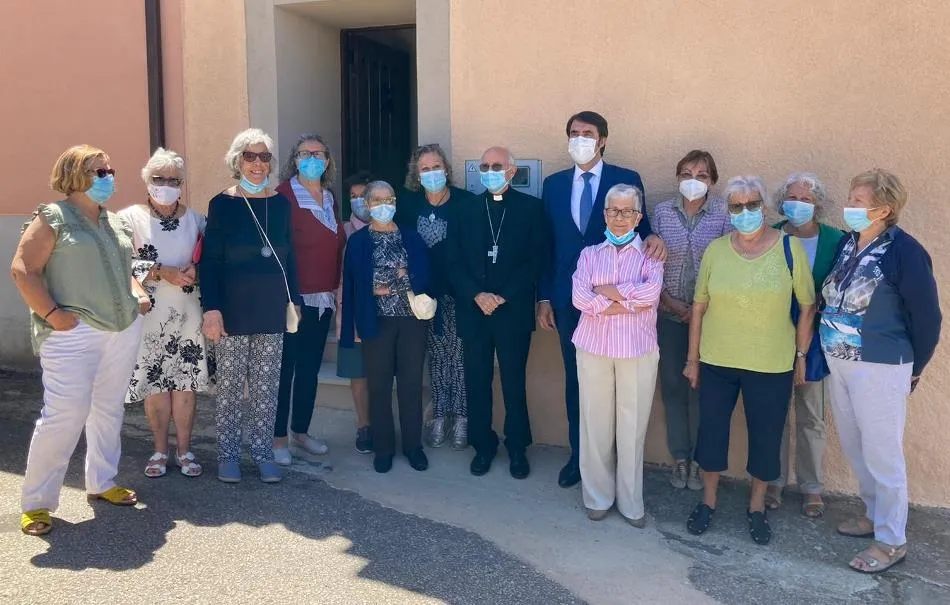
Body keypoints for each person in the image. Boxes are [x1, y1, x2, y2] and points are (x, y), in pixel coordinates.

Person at [13, 145, 151, 535]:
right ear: (74, 174)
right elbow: (23, 270)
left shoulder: (114, 221)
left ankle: (102, 482)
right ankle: (37, 503)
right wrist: (53, 315)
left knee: (108, 408)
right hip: (73, 332)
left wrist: (139, 292)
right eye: (98, 171)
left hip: (121, 328)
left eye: (110, 170)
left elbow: (125, 269)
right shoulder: (52, 217)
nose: (108, 177)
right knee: (65, 414)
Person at [683, 176, 815, 546]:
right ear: (729, 211)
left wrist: (801, 356)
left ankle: (757, 507)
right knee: (711, 431)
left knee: (766, 436)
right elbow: (699, 306)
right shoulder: (716, 250)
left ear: (764, 206)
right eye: (737, 206)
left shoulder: (789, 247)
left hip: (771, 363)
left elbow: (807, 306)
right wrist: (692, 359)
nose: (745, 212)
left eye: (752, 204)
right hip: (717, 359)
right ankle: (707, 501)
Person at [538, 110, 667, 488]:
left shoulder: (626, 178)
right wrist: (544, 297)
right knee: (578, 381)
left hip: (621, 308)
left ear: (603, 140)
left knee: (622, 389)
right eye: (574, 133)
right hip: (568, 299)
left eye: (587, 133)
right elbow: (547, 244)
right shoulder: (554, 184)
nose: (580, 139)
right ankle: (580, 458)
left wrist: (655, 237)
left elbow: (641, 229)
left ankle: (619, 468)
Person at [820, 170, 940, 573]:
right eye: (850, 197)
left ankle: (891, 540)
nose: (849, 205)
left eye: (858, 200)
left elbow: (927, 317)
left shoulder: (905, 251)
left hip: (881, 365)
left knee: (883, 451)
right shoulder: (849, 244)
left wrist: (915, 368)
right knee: (855, 445)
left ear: (884, 209)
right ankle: (873, 515)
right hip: (840, 362)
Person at [200, 128, 302, 484]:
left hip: (271, 308)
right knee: (229, 389)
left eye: (264, 157)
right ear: (237, 161)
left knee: (266, 388)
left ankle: (262, 454)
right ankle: (228, 455)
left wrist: (295, 299)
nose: (257, 164)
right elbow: (210, 261)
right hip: (232, 310)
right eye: (250, 156)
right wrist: (211, 308)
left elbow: (289, 256)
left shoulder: (282, 205)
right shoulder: (222, 204)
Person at [446, 146, 549, 480]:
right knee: (476, 380)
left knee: (513, 381)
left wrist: (503, 295)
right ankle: (483, 446)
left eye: (496, 166)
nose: (490, 171)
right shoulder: (464, 210)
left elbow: (536, 259)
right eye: (484, 166)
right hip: (474, 309)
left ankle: (517, 447)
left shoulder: (531, 209)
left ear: (511, 171)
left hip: (512, 310)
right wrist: (476, 295)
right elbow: (453, 261)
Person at [572, 184, 663, 527]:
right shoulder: (589, 255)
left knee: (632, 426)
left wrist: (606, 293)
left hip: (636, 350)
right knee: (594, 424)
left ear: (638, 217)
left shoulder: (651, 256)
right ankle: (597, 497)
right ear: (605, 214)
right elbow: (580, 299)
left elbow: (650, 295)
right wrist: (626, 301)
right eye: (613, 210)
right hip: (593, 347)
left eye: (627, 211)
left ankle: (630, 502)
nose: (620, 218)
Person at [121, 147, 211, 479]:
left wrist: (197, 271)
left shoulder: (197, 220)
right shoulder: (128, 219)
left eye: (174, 180)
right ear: (147, 181)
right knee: (155, 384)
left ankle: (185, 451)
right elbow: (117, 262)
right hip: (149, 313)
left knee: (185, 384)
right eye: (159, 178)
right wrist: (161, 271)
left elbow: (212, 259)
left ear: (182, 183)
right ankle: (159, 450)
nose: (166, 185)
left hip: (188, 313)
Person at [651, 150, 732, 491]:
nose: (693, 181)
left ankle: (700, 459)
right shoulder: (661, 213)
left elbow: (730, 264)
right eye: (686, 174)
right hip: (668, 313)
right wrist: (669, 301)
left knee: (702, 390)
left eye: (701, 175)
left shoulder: (724, 214)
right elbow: (650, 263)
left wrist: (699, 308)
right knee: (672, 387)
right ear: (677, 178)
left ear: (712, 181)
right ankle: (680, 457)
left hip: (709, 318)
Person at [764, 173, 844, 516]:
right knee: (775, 413)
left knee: (812, 414)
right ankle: (774, 480)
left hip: (815, 339)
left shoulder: (836, 240)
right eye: (793, 197)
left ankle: (811, 487)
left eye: (807, 199)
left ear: (818, 205)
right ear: (782, 201)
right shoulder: (770, 235)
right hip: (774, 335)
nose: (799, 204)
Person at [340, 180, 431, 474]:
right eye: (377, 200)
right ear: (367, 205)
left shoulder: (411, 237)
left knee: (411, 385)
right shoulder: (358, 242)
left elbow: (422, 275)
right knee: (378, 387)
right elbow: (355, 285)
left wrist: (384, 284)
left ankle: (413, 447)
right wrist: (397, 277)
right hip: (375, 322)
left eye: (388, 199)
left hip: (411, 321)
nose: (383, 205)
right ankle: (383, 448)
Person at [272, 134, 346, 465]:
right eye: (305, 153)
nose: (312, 159)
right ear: (295, 159)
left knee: (309, 370)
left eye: (319, 153)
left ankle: (300, 433)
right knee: (285, 370)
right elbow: (278, 251)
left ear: (328, 160)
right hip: (293, 301)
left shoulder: (329, 198)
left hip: (323, 299)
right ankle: (278, 440)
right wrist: (289, 296)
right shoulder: (283, 196)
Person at [398, 143, 470, 449]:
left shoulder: (465, 202)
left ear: (446, 169)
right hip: (423, 298)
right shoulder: (408, 206)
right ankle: (440, 415)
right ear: (416, 174)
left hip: (459, 294)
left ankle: (463, 418)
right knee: (437, 359)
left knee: (460, 358)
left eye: (436, 167)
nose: (431, 173)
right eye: (425, 169)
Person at [336, 170, 374, 454]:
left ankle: (382, 424)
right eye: (354, 196)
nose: (359, 201)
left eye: (364, 195)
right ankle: (364, 426)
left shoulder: (391, 228)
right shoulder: (341, 232)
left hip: (385, 315)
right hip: (351, 314)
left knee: (381, 373)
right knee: (358, 374)